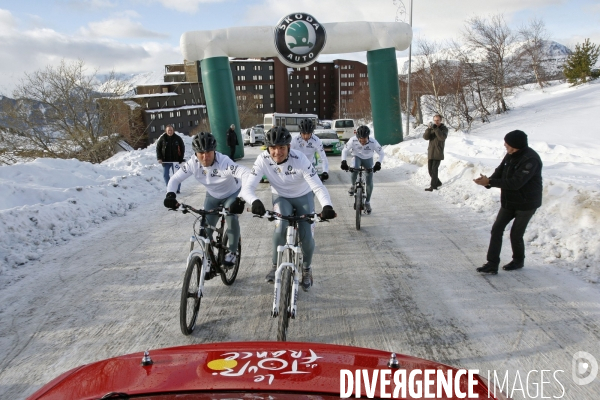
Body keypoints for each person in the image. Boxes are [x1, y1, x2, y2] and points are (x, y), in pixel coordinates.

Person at [240, 126, 337, 291]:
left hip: (304, 197)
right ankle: (274, 265)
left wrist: (327, 206)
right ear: (267, 148)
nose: (277, 152)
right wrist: (254, 201)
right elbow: (247, 188)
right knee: (280, 227)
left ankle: (306, 269)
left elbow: (318, 187)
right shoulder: (262, 159)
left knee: (306, 237)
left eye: (281, 148)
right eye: (273, 148)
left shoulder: (300, 159)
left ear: (289, 147)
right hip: (281, 197)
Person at [163, 132, 249, 267]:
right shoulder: (193, 163)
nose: (205, 156)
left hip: (232, 193)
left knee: (231, 217)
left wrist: (241, 199)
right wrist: (170, 195)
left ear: (214, 150)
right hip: (213, 195)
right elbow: (175, 179)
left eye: (209, 152)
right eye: (200, 152)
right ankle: (209, 257)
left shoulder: (224, 162)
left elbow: (246, 173)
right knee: (204, 230)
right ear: (196, 153)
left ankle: (233, 252)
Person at [474, 130, 543, 274]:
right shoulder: (510, 154)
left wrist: (491, 181)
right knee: (496, 229)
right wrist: (487, 181)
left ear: (516, 145)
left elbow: (516, 183)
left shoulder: (531, 160)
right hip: (509, 201)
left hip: (526, 204)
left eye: (507, 143)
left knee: (515, 234)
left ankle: (518, 260)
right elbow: (500, 171)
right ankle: (492, 264)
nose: (505, 145)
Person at [340, 125, 384, 214]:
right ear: (357, 137)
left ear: (368, 137)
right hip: (357, 157)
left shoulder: (373, 142)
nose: (363, 142)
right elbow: (344, 151)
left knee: (369, 180)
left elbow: (382, 153)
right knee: (354, 169)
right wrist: (343, 162)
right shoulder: (353, 140)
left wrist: (378, 163)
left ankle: (367, 202)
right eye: (361, 140)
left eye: (364, 140)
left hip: (368, 159)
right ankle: (352, 185)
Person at [156, 125, 185, 194]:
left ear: (173, 130)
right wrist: (159, 158)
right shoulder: (163, 138)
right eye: (168, 130)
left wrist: (180, 158)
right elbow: (158, 149)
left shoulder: (178, 138)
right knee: (165, 175)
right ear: (166, 131)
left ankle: (177, 189)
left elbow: (182, 148)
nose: (170, 132)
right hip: (165, 161)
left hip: (175, 161)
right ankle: (169, 188)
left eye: (171, 130)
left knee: (177, 175)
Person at [423, 114, 448, 191]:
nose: (436, 122)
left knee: (434, 169)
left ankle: (433, 186)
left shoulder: (444, 129)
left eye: (438, 120)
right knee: (430, 170)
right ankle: (438, 182)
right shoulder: (432, 128)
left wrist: (436, 129)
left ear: (440, 120)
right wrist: (428, 129)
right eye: (435, 120)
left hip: (438, 152)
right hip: (431, 152)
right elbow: (425, 137)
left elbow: (442, 138)